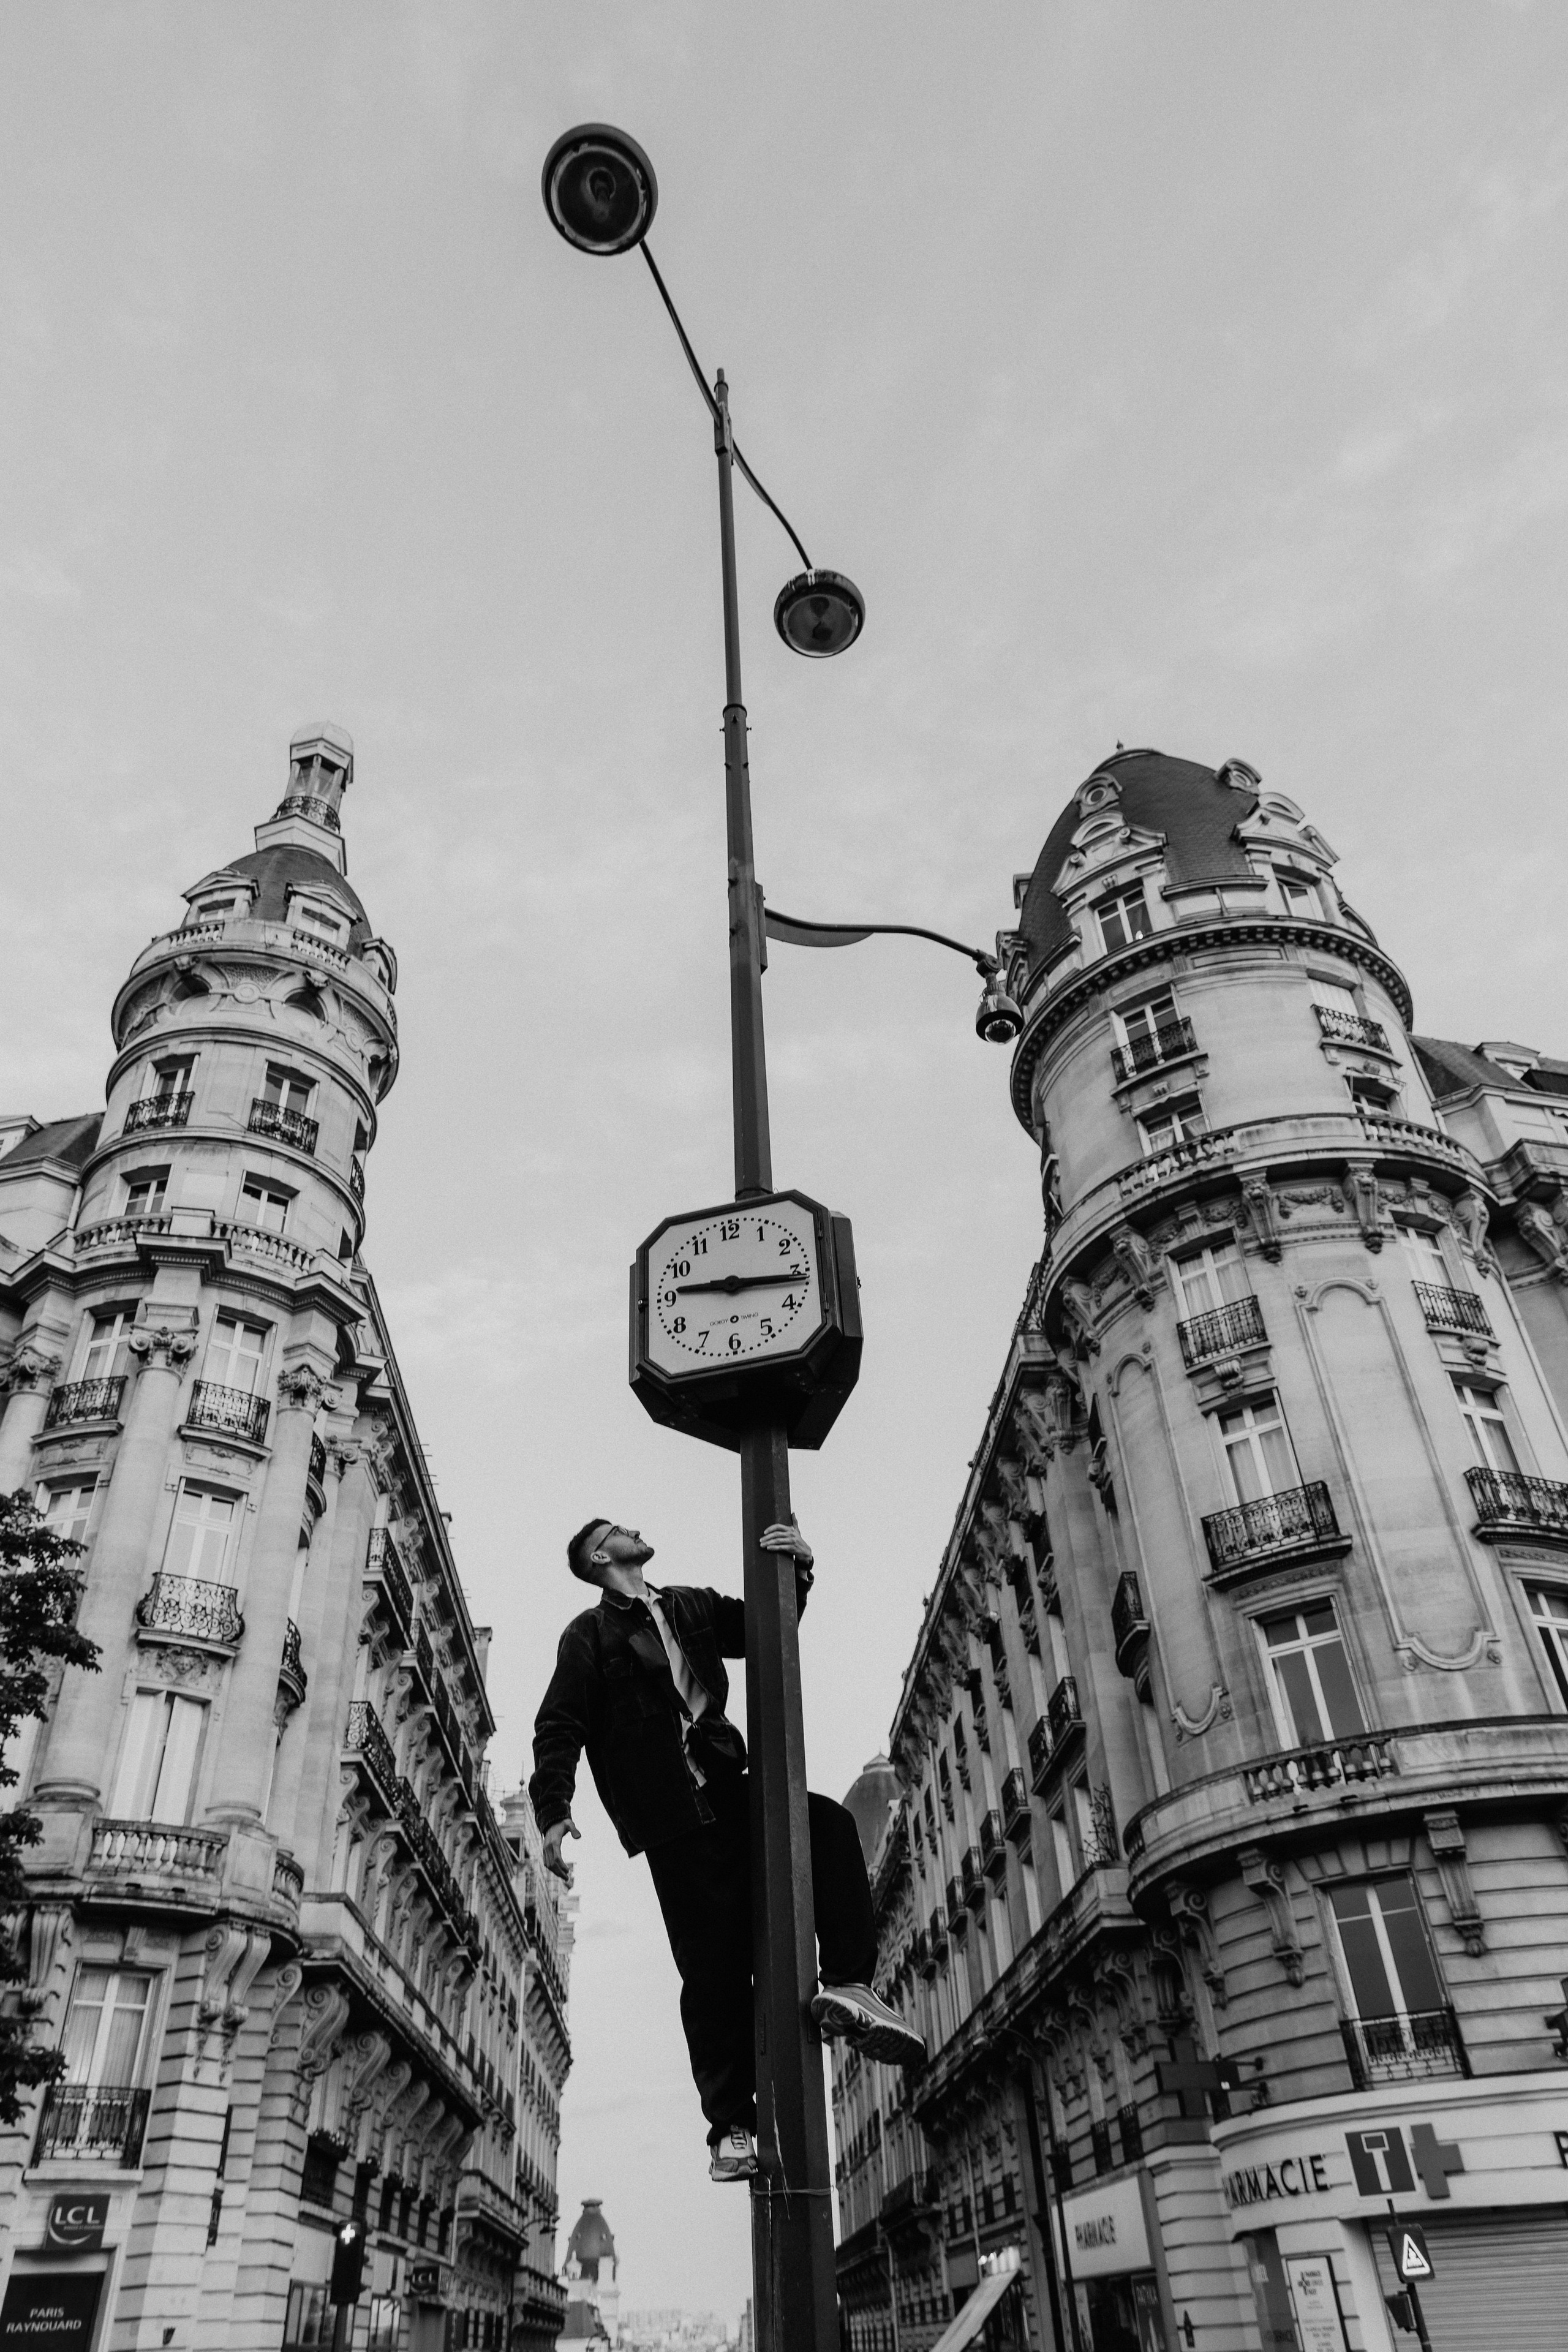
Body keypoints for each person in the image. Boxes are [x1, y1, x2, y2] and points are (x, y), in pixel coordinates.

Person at [530, 1515, 924, 2182]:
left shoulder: (688, 1605)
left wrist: (798, 1567)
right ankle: (730, 2129)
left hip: (726, 1782)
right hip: (668, 1816)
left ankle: (852, 1984)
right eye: (618, 1528)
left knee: (824, 1825)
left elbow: (767, 1625)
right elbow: (559, 1726)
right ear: (599, 1555)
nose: (634, 1527)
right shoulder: (588, 1635)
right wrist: (551, 1813)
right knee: (711, 1970)